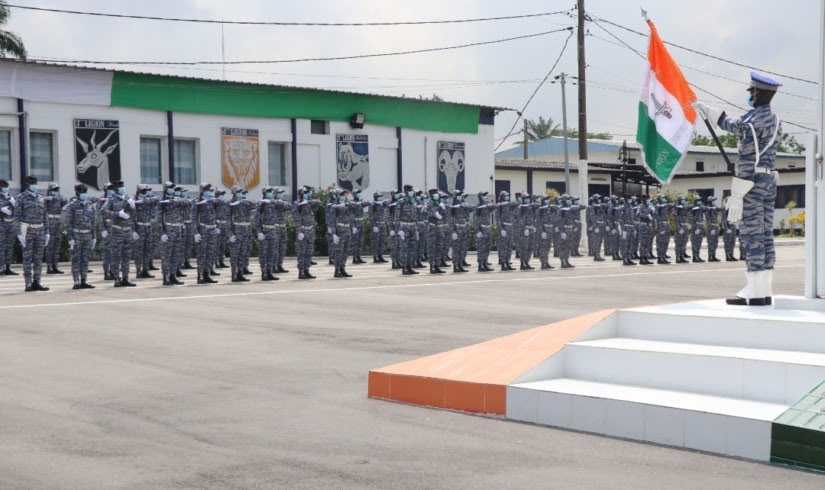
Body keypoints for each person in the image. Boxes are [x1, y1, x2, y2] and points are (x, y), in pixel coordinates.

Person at [695, 72, 782, 305]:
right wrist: (710, 112)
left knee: (751, 234)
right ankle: (763, 289)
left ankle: (754, 292)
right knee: (764, 234)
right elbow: (735, 124)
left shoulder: (753, 122)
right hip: (767, 181)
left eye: (752, 92)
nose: (751, 96)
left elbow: (742, 148)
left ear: (760, 93)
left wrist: (737, 193)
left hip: (751, 182)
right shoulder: (773, 120)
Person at [14, 176, 49, 291]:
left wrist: (47, 232)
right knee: (27, 258)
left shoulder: (41, 197)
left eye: (35, 182)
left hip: (40, 230)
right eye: (32, 183)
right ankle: (28, 283)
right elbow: (17, 216)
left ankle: (37, 282)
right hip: (27, 230)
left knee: (38, 258)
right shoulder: (21, 197)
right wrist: (19, 234)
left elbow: (45, 216)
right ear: (27, 184)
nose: (34, 185)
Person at [103, 180, 138, 287]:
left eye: (123, 186)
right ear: (116, 189)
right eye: (120, 187)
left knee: (126, 256)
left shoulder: (128, 199)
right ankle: (117, 278)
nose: (123, 188)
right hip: (117, 230)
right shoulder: (111, 200)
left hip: (127, 230)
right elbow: (103, 212)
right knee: (116, 256)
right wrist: (118, 213)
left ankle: (125, 278)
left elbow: (134, 216)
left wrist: (133, 207)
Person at [64, 183, 97, 289]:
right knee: (76, 259)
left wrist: (94, 237)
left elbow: (93, 222)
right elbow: (68, 223)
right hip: (77, 235)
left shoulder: (89, 205)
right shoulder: (72, 206)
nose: (84, 194)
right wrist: (70, 238)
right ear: (77, 192)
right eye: (82, 192)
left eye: (85, 192)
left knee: (85, 259)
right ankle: (76, 281)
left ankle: (84, 280)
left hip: (87, 235)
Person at [256, 186, 284, 281]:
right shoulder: (261, 204)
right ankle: (264, 273)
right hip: (264, 230)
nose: (270, 193)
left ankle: (270, 272)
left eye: (271, 192)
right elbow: (257, 219)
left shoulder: (273, 203)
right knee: (264, 253)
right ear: (264, 193)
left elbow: (285, 204)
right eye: (268, 192)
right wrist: (259, 232)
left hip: (273, 230)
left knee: (272, 253)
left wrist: (272, 201)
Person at [159, 181, 184, 286]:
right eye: (170, 187)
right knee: (166, 255)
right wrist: (162, 232)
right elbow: (159, 217)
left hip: (177, 228)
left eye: (173, 187)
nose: (172, 189)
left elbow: (187, 204)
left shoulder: (176, 200)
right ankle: (166, 276)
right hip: (168, 229)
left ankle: (173, 275)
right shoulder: (162, 201)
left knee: (176, 254)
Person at [194, 183, 219, 284]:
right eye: (206, 189)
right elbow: (194, 219)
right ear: (201, 191)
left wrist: (216, 225)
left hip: (212, 229)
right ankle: (200, 275)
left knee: (210, 253)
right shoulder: (198, 202)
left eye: (209, 189)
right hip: (203, 229)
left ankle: (207, 274)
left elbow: (217, 213)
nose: (208, 191)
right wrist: (195, 232)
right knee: (202, 254)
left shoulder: (212, 201)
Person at [229, 186, 255, 282]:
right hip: (236, 230)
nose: (242, 194)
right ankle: (234, 275)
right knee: (235, 255)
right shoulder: (231, 204)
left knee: (243, 253)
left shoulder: (244, 203)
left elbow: (254, 204)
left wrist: (243, 201)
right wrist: (230, 234)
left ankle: (240, 273)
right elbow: (228, 220)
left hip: (246, 231)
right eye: (239, 192)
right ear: (234, 193)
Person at [295, 186, 321, 279]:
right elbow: (296, 219)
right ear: (301, 194)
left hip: (310, 230)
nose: (307, 194)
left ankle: (307, 270)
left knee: (309, 252)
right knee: (301, 253)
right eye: (305, 193)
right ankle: (301, 272)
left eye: (307, 193)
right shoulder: (297, 204)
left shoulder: (309, 204)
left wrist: (308, 201)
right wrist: (299, 231)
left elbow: (319, 202)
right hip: (303, 230)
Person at [133, 184, 158, 279]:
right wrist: (133, 230)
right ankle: (138, 270)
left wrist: (144, 200)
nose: (145, 192)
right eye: (143, 191)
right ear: (138, 192)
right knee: (139, 251)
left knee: (148, 250)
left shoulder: (147, 200)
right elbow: (131, 217)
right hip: (139, 227)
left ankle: (145, 270)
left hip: (148, 227)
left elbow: (157, 199)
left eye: (145, 191)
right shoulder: (134, 202)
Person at [328, 189, 353, 278]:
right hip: (340, 230)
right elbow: (332, 221)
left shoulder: (347, 204)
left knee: (346, 251)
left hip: (347, 229)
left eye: (344, 195)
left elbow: (354, 205)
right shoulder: (334, 206)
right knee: (339, 251)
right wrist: (334, 233)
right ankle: (337, 270)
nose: (344, 196)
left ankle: (343, 268)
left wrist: (345, 203)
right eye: (342, 195)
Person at [44, 183, 67, 274]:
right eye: (54, 190)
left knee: (57, 244)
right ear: (49, 190)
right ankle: (49, 266)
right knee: (50, 245)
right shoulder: (46, 200)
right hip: (49, 221)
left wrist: (55, 197)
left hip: (58, 221)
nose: (56, 191)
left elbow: (65, 200)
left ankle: (55, 266)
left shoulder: (59, 198)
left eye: (57, 189)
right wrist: (46, 198)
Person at [396, 185, 420, 275]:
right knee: (404, 249)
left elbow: (415, 216)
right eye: (410, 190)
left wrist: (416, 228)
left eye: (412, 190)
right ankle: (404, 267)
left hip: (413, 227)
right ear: (405, 191)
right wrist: (398, 229)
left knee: (412, 248)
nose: (412, 192)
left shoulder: (413, 201)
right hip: (404, 227)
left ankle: (410, 266)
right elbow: (397, 216)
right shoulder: (401, 202)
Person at [425, 189, 446, 274]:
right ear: (431, 195)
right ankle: (432, 266)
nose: (437, 195)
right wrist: (433, 214)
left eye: (437, 193)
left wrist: (443, 208)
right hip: (432, 228)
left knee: (439, 247)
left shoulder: (439, 202)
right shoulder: (429, 203)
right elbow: (423, 211)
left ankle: (437, 265)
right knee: (431, 248)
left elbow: (444, 215)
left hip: (440, 227)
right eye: (435, 194)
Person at [450, 191, 471, 273]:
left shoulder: (463, 206)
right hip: (457, 228)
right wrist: (453, 231)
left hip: (463, 228)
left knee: (462, 248)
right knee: (456, 249)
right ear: (455, 197)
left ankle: (460, 264)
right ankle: (455, 265)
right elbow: (450, 220)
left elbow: (471, 209)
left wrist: (465, 204)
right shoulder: (453, 207)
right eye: (458, 195)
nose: (460, 197)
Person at [495, 191, 517, 270]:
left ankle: (508, 262)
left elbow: (517, 203)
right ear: (502, 197)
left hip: (510, 227)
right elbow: (497, 219)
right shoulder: (499, 206)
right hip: (504, 228)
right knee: (503, 247)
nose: (507, 197)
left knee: (509, 247)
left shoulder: (510, 205)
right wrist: (501, 229)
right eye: (506, 196)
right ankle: (503, 263)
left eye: (508, 196)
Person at [0, 179, 17, 275]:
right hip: (1, 224)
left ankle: (8, 267)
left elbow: (18, 211)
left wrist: (14, 204)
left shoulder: (11, 197)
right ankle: (0, 267)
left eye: (6, 186)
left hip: (11, 224)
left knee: (10, 246)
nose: (5, 188)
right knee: (1, 246)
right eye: (3, 186)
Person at [348, 189, 370, 264]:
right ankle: (354, 258)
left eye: (359, 193)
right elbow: (351, 215)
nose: (359, 194)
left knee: (360, 241)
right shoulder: (351, 203)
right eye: (358, 193)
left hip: (361, 223)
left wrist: (361, 201)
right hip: (355, 223)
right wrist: (353, 226)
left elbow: (368, 203)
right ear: (354, 194)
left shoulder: (360, 202)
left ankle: (359, 256)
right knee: (355, 242)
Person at [474, 191, 494, 272]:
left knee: (487, 248)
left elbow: (494, 208)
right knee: (481, 248)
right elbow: (476, 219)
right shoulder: (478, 206)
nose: (486, 197)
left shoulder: (487, 206)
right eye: (484, 196)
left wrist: (490, 203)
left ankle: (485, 263)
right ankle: (481, 265)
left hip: (488, 229)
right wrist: (477, 230)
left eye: (487, 196)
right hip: (482, 229)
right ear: (480, 197)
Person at [213, 189, 231, 269]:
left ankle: (221, 260)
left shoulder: (225, 203)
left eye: (223, 194)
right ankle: (216, 261)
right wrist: (215, 226)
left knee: (223, 244)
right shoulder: (214, 203)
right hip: (218, 223)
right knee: (216, 244)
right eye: (221, 194)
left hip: (224, 224)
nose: (222, 196)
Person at [370, 191, 389, 263]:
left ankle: (380, 255)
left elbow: (388, 203)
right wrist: (374, 225)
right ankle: (375, 257)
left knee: (382, 241)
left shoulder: (382, 204)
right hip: (377, 225)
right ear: (376, 197)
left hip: (382, 224)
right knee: (376, 242)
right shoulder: (372, 205)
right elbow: (371, 216)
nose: (381, 197)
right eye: (380, 196)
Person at [654, 194, 673, 264]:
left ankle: (663, 256)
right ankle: (660, 257)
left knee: (666, 241)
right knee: (660, 242)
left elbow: (672, 206)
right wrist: (660, 227)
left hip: (666, 225)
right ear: (659, 199)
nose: (664, 199)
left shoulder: (665, 206)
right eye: (663, 198)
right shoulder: (657, 206)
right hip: (661, 226)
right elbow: (656, 217)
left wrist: (668, 204)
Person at [704, 196, 722, 262]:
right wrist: (711, 229)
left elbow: (720, 209)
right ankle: (710, 257)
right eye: (713, 201)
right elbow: (708, 220)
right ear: (710, 201)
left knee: (715, 242)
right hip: (711, 228)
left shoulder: (714, 208)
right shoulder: (707, 209)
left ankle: (714, 256)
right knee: (711, 243)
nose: (714, 202)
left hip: (716, 227)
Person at [674, 196, 690, 264]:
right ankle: (678, 258)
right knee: (679, 244)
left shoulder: (684, 208)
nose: (684, 201)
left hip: (685, 226)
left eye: (684, 200)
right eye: (682, 200)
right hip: (680, 227)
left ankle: (682, 256)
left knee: (684, 243)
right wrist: (679, 228)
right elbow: (676, 219)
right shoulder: (677, 208)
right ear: (679, 201)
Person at [689, 197, 706, 263]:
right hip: (695, 228)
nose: (700, 202)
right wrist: (696, 227)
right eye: (698, 201)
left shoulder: (701, 208)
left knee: (699, 243)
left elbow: (707, 208)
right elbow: (692, 219)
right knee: (695, 243)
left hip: (700, 227)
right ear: (696, 202)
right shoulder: (692, 209)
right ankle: (695, 257)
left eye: (700, 201)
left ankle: (697, 256)